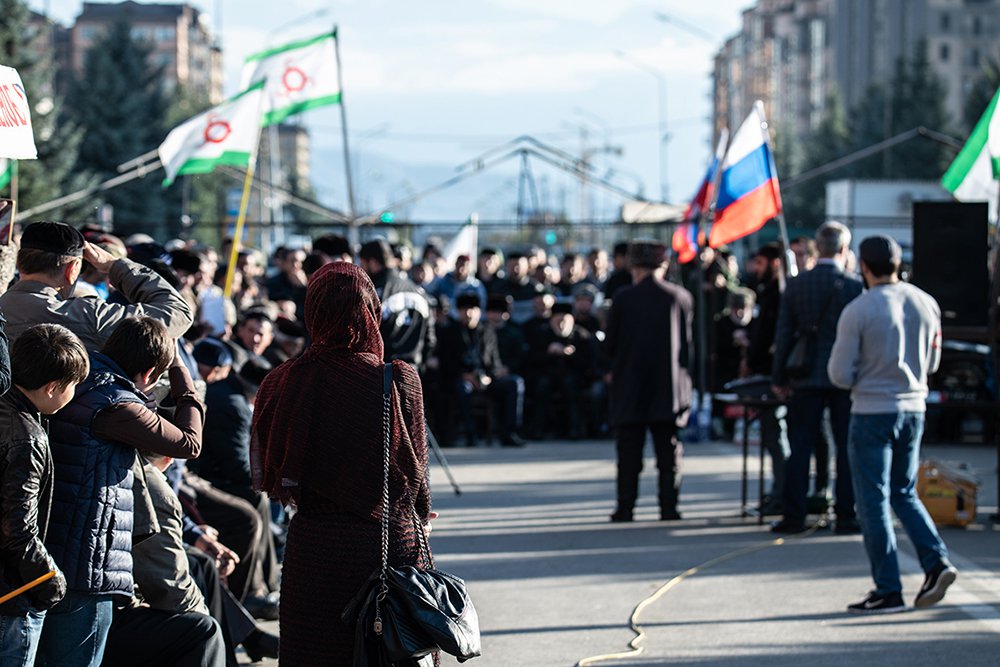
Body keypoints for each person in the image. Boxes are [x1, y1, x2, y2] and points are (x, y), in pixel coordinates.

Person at [251, 262, 434, 664]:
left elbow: (270, 468)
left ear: (311, 313)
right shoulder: (399, 380)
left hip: (314, 549)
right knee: (394, 654)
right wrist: (421, 512)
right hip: (388, 546)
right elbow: (416, 477)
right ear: (371, 311)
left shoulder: (280, 382)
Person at [39, 317, 204, 666]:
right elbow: (189, 443)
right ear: (148, 373)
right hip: (86, 561)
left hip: (52, 544)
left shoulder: (80, 379)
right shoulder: (118, 404)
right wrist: (183, 383)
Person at [828, 235, 958, 615]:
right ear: (899, 263)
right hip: (914, 406)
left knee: (872, 502)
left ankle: (888, 588)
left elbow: (839, 373)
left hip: (871, 409)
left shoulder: (859, 309)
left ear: (863, 266)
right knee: (904, 492)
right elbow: (933, 362)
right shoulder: (925, 302)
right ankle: (936, 563)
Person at [0, 325, 88, 665]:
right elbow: (19, 530)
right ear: (52, 387)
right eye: (73, 385)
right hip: (13, 597)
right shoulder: (28, 437)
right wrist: (50, 579)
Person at [771, 222, 863, 534]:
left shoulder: (798, 285)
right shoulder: (853, 285)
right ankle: (846, 515)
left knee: (800, 447)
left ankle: (794, 516)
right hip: (845, 376)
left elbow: (783, 334)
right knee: (846, 447)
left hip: (805, 374)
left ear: (818, 247)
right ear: (843, 249)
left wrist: (778, 376)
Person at [101, 452, 227, 667]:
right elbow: (171, 591)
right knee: (204, 630)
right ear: (169, 459)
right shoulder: (145, 481)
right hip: (95, 615)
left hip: (90, 605)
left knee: (201, 564)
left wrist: (198, 536)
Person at [0, 221, 193, 349]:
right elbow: (178, 314)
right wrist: (114, 265)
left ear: (19, 261)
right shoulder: (88, 316)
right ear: (73, 269)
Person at [605, 241, 693, 522]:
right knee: (669, 454)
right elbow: (688, 348)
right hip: (669, 387)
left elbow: (610, 345)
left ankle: (625, 507)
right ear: (663, 264)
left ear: (633, 265)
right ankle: (669, 507)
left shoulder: (623, 298)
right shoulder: (680, 297)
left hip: (630, 385)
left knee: (629, 453)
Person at [436, 292, 526, 448]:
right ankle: (471, 433)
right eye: (464, 309)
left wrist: (490, 376)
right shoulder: (450, 332)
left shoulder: (487, 331)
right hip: (462, 378)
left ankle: (510, 432)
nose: (469, 313)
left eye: (473, 309)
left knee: (515, 383)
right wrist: (466, 376)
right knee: (463, 388)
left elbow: (494, 361)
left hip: (486, 378)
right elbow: (447, 363)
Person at [743, 243, 790, 517]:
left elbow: (778, 338)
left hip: (776, 378)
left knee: (776, 437)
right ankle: (778, 492)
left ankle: (782, 494)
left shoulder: (782, 294)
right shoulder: (765, 292)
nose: (754, 268)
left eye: (760, 262)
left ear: (774, 263)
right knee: (771, 438)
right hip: (764, 374)